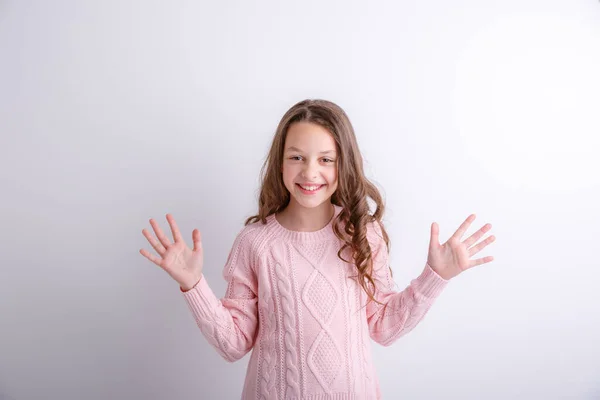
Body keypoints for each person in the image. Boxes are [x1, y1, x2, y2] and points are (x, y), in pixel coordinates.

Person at [139, 99, 496, 399]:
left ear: (345, 164)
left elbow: (385, 327)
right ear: (280, 162)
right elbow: (233, 344)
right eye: (297, 157)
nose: (310, 172)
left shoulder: (362, 234)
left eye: (326, 159)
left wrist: (436, 277)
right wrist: (193, 285)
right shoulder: (255, 243)